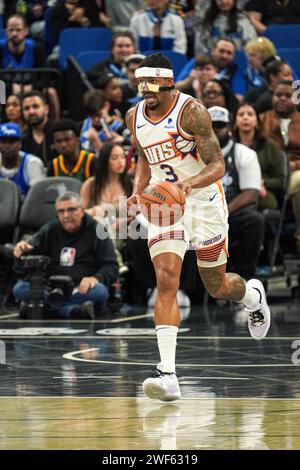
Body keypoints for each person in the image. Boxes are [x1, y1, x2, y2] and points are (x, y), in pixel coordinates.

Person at [126, 53, 271, 402]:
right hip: (164, 204)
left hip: (204, 202)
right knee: (166, 279)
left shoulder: (192, 112)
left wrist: (189, 185)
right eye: (140, 84)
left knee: (217, 285)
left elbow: (218, 165)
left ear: (168, 82)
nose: (145, 91)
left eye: (152, 85)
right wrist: (136, 192)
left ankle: (252, 297)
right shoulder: (133, 116)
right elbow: (146, 158)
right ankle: (168, 374)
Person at [13, 191, 118, 319]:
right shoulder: (50, 228)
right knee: (20, 289)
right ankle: (73, 311)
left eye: (71, 210)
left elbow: (111, 267)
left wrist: (95, 278)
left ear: (82, 210)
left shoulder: (98, 230)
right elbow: (29, 254)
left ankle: (41, 310)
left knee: (100, 292)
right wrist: (22, 251)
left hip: (79, 289)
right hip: (50, 288)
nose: (66, 215)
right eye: (61, 211)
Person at [208, 106, 264, 279]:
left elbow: (251, 194)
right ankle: (191, 289)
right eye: (212, 126)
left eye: (221, 125)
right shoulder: (192, 155)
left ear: (230, 127)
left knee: (254, 221)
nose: (216, 130)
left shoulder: (244, 153)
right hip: (201, 212)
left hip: (231, 212)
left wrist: (222, 212)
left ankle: (245, 278)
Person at [232, 102, 285, 211]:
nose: (245, 117)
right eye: (241, 114)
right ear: (235, 122)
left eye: (250, 114)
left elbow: (281, 180)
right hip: (233, 191)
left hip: (262, 193)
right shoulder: (229, 145)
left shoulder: (269, 145)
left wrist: (261, 183)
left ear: (257, 122)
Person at [0, 122, 45, 197]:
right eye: (3, 142)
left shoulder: (32, 163)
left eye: (12, 141)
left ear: (20, 144)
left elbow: (37, 198)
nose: (7, 146)